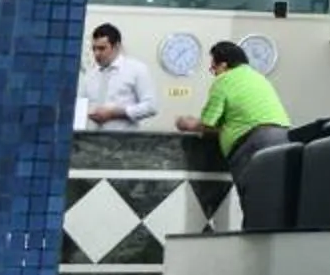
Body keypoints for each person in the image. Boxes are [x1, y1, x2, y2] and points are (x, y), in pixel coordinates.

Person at [176, 41, 290, 191]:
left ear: (223, 65)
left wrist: (188, 124)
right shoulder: (259, 78)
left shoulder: (224, 80)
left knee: (252, 197)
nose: (214, 72)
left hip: (252, 143)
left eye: (213, 67)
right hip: (283, 139)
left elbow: (208, 123)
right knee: (274, 196)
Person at [77, 23, 158, 129]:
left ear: (117, 46)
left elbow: (151, 107)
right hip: (91, 141)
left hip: (122, 141)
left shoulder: (136, 69)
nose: (96, 54)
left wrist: (117, 113)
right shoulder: (90, 75)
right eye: (94, 49)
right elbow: (80, 108)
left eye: (102, 49)